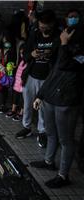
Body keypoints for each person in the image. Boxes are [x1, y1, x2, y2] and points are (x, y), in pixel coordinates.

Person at [30, 10, 84, 188]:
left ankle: (63, 175)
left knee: (66, 140)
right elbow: (53, 71)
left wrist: (64, 45)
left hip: (68, 99)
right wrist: (41, 94)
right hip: (51, 96)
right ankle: (48, 161)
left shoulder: (72, 49)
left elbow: (65, 65)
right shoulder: (62, 46)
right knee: (51, 132)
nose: (65, 33)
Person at [15, 10, 60, 149]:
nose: (43, 29)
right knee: (27, 103)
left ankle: (42, 131)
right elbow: (25, 55)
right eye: (41, 26)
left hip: (48, 78)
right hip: (31, 75)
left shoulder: (58, 38)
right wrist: (32, 54)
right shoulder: (34, 34)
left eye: (46, 26)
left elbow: (60, 60)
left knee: (43, 107)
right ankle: (27, 127)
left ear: (52, 24)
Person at [0, 29, 16, 113]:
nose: (4, 40)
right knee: (4, 87)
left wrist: (14, 67)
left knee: (14, 88)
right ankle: (3, 105)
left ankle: (14, 107)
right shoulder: (1, 47)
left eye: (6, 38)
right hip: (4, 70)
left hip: (14, 70)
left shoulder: (16, 45)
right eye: (3, 39)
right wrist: (2, 68)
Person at [6, 44, 26, 121]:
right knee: (15, 96)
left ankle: (21, 112)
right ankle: (13, 110)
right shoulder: (21, 61)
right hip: (17, 83)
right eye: (20, 53)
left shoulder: (28, 61)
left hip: (23, 83)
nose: (21, 55)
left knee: (22, 99)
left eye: (23, 53)